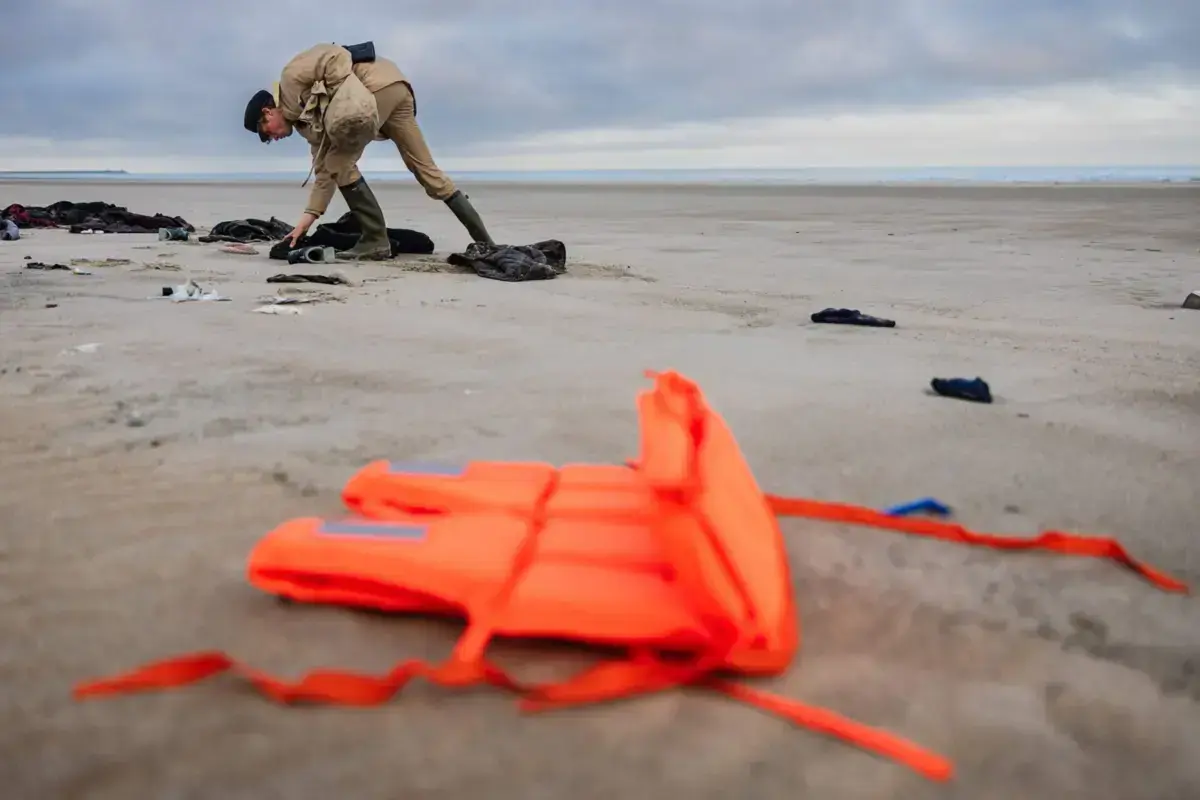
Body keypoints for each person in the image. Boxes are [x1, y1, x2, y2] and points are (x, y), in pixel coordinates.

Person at [243, 42, 494, 261]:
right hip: (396, 89)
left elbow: (334, 54)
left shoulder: (290, 79)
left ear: (268, 112)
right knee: (426, 171)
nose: (272, 138)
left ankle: (375, 240)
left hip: (375, 88)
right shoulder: (306, 125)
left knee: (341, 164)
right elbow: (323, 173)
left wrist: (343, 95)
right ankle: (487, 244)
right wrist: (304, 224)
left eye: (266, 132)